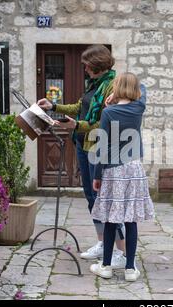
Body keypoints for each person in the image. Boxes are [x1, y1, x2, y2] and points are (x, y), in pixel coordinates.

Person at [37, 45, 126, 268]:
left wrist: (78, 125)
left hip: (100, 147)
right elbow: (79, 106)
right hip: (83, 144)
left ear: (97, 65)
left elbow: (106, 123)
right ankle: (102, 243)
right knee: (91, 198)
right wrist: (53, 105)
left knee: (105, 200)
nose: (84, 69)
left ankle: (121, 252)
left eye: (87, 66)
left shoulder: (113, 87)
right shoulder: (94, 84)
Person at [88, 73, 154, 282]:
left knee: (110, 219)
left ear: (116, 88)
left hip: (114, 170)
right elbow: (142, 89)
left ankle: (106, 266)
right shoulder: (138, 108)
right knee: (130, 219)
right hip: (133, 168)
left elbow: (104, 145)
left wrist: (97, 174)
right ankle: (130, 268)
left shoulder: (109, 112)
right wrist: (125, 90)